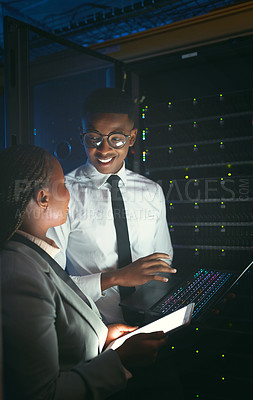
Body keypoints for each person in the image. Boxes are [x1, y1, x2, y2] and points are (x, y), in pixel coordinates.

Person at [0, 144, 168, 400]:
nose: (70, 194)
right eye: (63, 186)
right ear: (44, 198)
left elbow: (64, 332)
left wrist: (103, 336)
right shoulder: (19, 274)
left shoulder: (36, 257)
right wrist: (119, 359)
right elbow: (40, 394)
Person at [48, 87, 175, 324]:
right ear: (81, 134)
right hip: (92, 331)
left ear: (133, 138)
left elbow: (163, 263)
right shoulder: (61, 192)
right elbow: (49, 283)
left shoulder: (151, 191)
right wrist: (116, 278)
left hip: (152, 323)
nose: (104, 149)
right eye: (93, 138)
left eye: (116, 139)